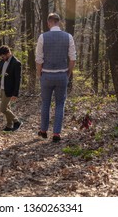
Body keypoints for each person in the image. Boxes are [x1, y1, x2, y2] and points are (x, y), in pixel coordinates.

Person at [35, 13, 76, 142]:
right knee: (60, 104)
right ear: (59, 22)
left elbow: (39, 58)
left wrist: (39, 73)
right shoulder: (68, 37)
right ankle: (57, 133)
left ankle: (43, 130)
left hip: (46, 75)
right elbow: (73, 58)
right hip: (61, 75)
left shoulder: (43, 37)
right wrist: (68, 73)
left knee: (46, 103)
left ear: (49, 23)